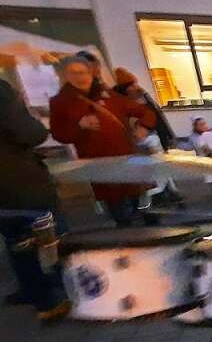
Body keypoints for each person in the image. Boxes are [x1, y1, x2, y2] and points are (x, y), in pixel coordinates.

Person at [0, 39, 69, 319]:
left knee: (17, 244)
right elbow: (30, 133)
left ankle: (40, 300)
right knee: (51, 239)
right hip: (23, 182)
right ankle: (65, 294)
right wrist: (33, 122)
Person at [50, 55, 157, 226]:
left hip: (128, 160)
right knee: (121, 215)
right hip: (101, 166)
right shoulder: (60, 102)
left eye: (84, 72)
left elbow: (146, 112)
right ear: (65, 76)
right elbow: (59, 134)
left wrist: (143, 127)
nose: (81, 77)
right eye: (74, 73)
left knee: (140, 206)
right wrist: (80, 126)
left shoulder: (109, 96)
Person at [112, 67, 177, 151]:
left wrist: (169, 136)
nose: (136, 87)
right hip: (139, 144)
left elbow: (158, 117)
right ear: (125, 88)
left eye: (135, 84)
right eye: (132, 85)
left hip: (155, 139)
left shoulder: (143, 96)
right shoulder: (124, 103)